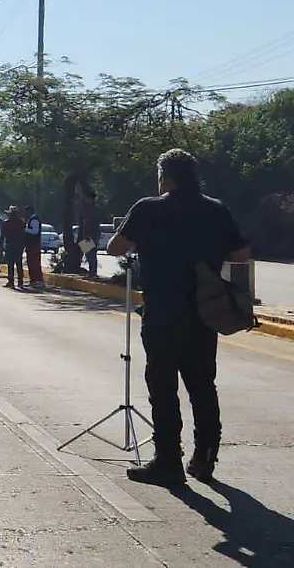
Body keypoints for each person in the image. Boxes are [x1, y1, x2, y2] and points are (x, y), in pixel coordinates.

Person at [108, 149, 249, 487]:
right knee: (202, 385)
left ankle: (168, 460)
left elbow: (115, 247)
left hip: (163, 311)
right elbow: (241, 253)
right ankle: (205, 457)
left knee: (163, 384)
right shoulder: (216, 209)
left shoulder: (148, 208)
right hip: (204, 311)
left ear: (165, 176)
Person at [2, 207, 26, 289]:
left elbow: (3, 234)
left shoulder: (6, 223)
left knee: (10, 264)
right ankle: (20, 282)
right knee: (19, 264)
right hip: (19, 246)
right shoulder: (22, 223)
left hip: (10, 245)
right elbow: (24, 234)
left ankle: (11, 282)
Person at [23, 205, 44, 287]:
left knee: (34, 262)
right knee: (30, 262)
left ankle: (37, 280)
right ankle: (33, 280)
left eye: (26, 212)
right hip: (31, 245)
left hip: (34, 245)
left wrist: (24, 228)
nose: (25, 214)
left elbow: (35, 231)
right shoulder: (31, 220)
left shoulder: (34, 220)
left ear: (30, 211)